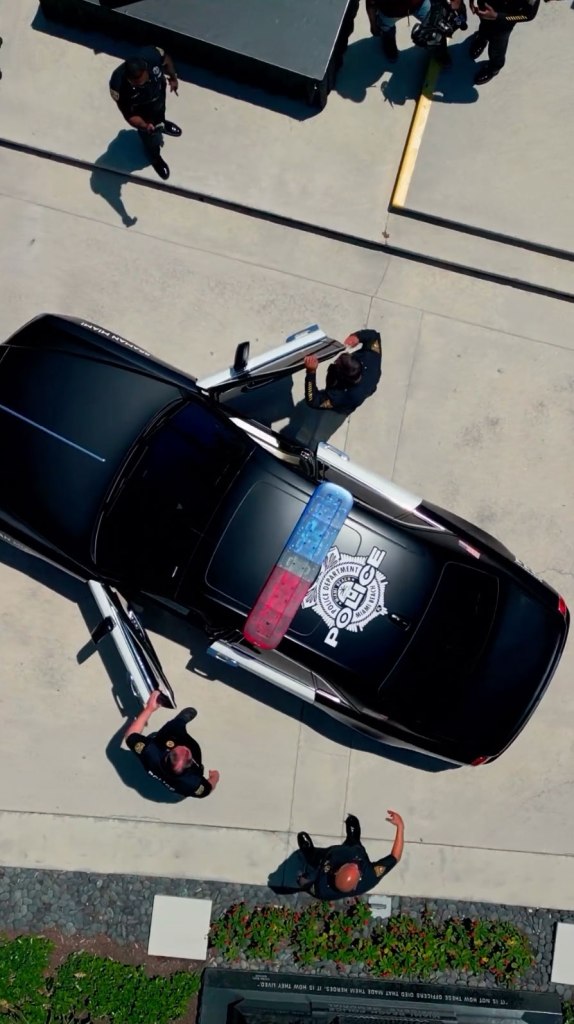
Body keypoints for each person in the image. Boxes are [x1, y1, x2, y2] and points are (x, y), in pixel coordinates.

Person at [123, 691, 220, 798]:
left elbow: (130, 735)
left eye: (180, 750)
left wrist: (149, 708)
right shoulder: (194, 784)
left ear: (167, 754)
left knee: (168, 732)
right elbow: (209, 787)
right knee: (186, 739)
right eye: (187, 754)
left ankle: (179, 722)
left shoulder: (151, 753)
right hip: (182, 781)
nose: (185, 747)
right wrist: (215, 777)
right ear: (189, 765)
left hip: (160, 758)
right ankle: (180, 721)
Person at [296, 811, 405, 900]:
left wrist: (303, 880)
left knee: (314, 860)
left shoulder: (323, 889)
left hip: (327, 858)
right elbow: (395, 857)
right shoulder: (370, 876)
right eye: (356, 868)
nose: (355, 864)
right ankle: (352, 838)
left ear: (336, 872)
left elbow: (308, 886)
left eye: (352, 866)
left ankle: (309, 853)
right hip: (353, 850)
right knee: (354, 845)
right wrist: (400, 826)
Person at [109, 46, 181, 180]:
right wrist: (145, 125)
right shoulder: (118, 86)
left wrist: (173, 77)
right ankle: (154, 156)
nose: (143, 84)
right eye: (138, 84)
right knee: (150, 139)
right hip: (143, 113)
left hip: (158, 97)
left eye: (145, 80)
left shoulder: (152, 55)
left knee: (160, 113)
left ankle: (162, 123)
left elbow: (167, 60)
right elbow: (129, 116)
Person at [303, 329, 382, 415]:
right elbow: (374, 336)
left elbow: (313, 401)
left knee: (342, 406)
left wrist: (311, 372)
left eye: (336, 362)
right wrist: (357, 337)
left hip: (351, 400)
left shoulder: (340, 397)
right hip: (369, 385)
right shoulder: (371, 359)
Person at [468, 0, 539, 84]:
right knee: (484, 28)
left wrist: (497, 16)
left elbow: (529, 15)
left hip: (504, 20)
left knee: (498, 47)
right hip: (486, 7)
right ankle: (481, 40)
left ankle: (494, 68)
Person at [366, 0, 432, 62]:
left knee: (435, 23)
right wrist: (374, 26)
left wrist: (374, 27)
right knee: (385, 29)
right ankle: (389, 41)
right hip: (392, 13)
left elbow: (370, 5)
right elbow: (370, 4)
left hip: (418, 5)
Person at [411, 0, 468, 67]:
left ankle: (441, 51)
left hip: (423, 4)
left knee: (458, 19)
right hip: (409, 7)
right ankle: (440, 50)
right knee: (435, 30)